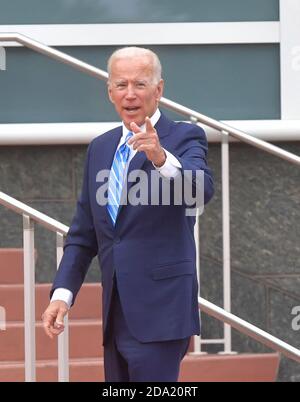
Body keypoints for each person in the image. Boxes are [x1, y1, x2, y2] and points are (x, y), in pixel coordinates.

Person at [42, 46, 214, 382]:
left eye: (140, 84)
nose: (130, 94)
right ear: (109, 92)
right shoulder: (101, 148)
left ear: (159, 89)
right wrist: (63, 294)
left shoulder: (184, 137)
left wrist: (161, 158)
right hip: (115, 311)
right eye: (121, 85)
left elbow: (200, 192)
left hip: (161, 311)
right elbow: (83, 234)